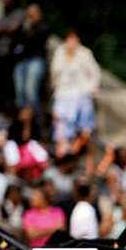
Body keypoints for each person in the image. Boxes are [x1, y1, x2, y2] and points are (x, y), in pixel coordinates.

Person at [49, 29, 101, 159]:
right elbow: (54, 71)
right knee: (60, 115)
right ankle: (62, 144)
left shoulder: (85, 53)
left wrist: (93, 87)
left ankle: (74, 146)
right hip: (63, 91)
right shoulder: (60, 52)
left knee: (82, 117)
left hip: (81, 90)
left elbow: (94, 72)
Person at [11, 4, 50, 116]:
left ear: (38, 15)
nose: (30, 17)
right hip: (22, 62)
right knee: (20, 93)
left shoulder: (43, 27)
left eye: (32, 15)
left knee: (30, 91)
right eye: (28, 15)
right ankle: (23, 120)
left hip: (36, 61)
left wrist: (30, 29)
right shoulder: (22, 28)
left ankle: (34, 120)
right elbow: (16, 43)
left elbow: (36, 41)